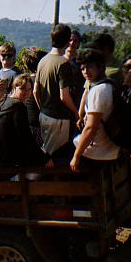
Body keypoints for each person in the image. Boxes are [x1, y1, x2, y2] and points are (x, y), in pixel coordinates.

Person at [0, 74, 53, 168]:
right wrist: (45, 158)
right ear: (14, 88)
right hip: (8, 160)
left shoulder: (4, 101)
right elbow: (25, 136)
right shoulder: (18, 106)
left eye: (29, 89)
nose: (27, 93)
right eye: (23, 89)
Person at [70, 49, 120, 172]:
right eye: (82, 68)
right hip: (111, 146)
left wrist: (76, 156)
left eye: (90, 67)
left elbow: (91, 128)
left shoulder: (98, 91)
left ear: (101, 67)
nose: (86, 72)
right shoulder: (111, 85)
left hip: (98, 151)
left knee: (56, 158)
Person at [33, 24, 78, 160]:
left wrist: (42, 109)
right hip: (58, 118)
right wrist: (76, 113)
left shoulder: (42, 61)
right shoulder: (63, 63)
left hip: (44, 115)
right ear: (66, 40)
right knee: (53, 158)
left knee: (45, 153)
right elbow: (64, 96)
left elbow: (36, 91)